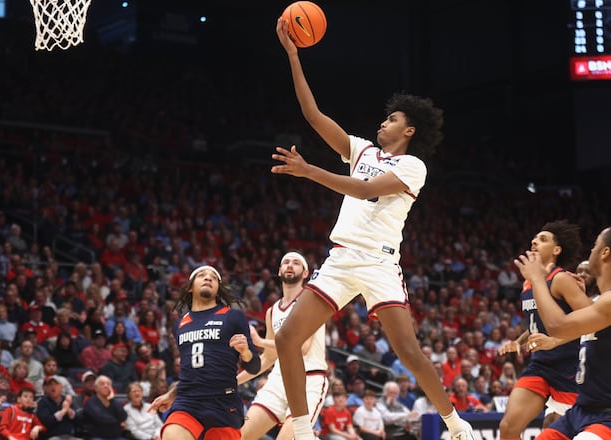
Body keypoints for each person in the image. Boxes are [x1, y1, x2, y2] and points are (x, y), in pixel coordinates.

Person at [272, 16, 474, 440]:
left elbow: (365, 191)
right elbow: (312, 114)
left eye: (392, 118)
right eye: (383, 118)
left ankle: (456, 424)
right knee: (288, 337)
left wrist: (309, 172)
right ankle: (302, 430)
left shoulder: (413, 166)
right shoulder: (360, 148)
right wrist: (293, 55)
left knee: (410, 353)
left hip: (380, 264)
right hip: (342, 258)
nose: (382, 123)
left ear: (409, 130)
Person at [515, 224, 611, 439]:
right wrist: (554, 342)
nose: (591, 251)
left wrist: (538, 279)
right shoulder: (600, 302)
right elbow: (584, 328)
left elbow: (558, 325)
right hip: (582, 410)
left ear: (605, 253)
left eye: (595, 246)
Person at [497, 220, 590, 438]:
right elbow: (537, 325)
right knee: (508, 428)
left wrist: (556, 340)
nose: (534, 241)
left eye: (543, 239)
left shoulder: (562, 279)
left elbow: (592, 321)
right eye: (535, 238)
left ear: (557, 250)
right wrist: (517, 342)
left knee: (559, 430)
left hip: (571, 369)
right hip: (540, 366)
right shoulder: (528, 283)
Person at [148, 265, 261, 439]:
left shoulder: (233, 316)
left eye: (214, 277)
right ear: (191, 287)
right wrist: (172, 394)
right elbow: (192, 370)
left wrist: (245, 352)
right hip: (188, 401)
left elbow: (254, 366)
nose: (208, 278)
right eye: (202, 275)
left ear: (217, 289)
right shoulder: (179, 325)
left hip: (223, 402)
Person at [236, 251, 328, 440]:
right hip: (278, 379)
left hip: (308, 379)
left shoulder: (312, 301)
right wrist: (233, 380)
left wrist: (260, 342)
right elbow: (269, 358)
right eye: (286, 262)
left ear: (305, 273)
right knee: (240, 436)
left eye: (296, 263)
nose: (290, 265)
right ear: (279, 271)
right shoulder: (272, 311)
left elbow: (302, 347)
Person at [82, 374, 128, 440]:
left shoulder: (114, 402)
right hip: (96, 437)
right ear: (96, 388)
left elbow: (123, 416)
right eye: (102, 384)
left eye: (108, 384)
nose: (106, 386)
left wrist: (112, 400)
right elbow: (102, 418)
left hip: (115, 437)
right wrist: (119, 423)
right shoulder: (90, 402)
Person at [35, 375, 81, 440]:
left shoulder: (67, 400)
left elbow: (78, 421)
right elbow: (46, 422)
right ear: (45, 388)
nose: (53, 387)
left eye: (56, 384)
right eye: (50, 385)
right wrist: (62, 412)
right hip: (52, 436)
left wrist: (69, 410)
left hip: (70, 436)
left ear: (61, 387)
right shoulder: (42, 403)